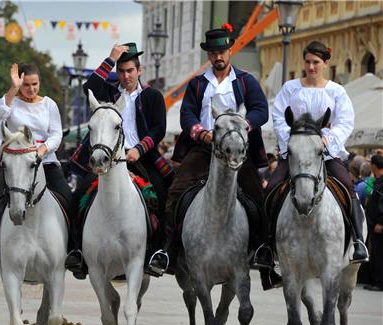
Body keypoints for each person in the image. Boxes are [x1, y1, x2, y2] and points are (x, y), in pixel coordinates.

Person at [149, 24, 275, 285]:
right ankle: (169, 250)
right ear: (208, 55)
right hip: (204, 149)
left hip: (237, 150)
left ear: (230, 51)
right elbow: (187, 114)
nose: (218, 57)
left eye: (223, 52)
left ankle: (263, 252)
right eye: (214, 53)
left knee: (256, 195)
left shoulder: (245, 81)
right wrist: (201, 133)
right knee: (175, 192)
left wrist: (243, 127)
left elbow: (261, 110)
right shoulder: (197, 84)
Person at [65, 42, 173, 279]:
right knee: (79, 195)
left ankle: (160, 253)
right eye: (121, 71)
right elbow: (89, 87)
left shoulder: (153, 95)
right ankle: (77, 252)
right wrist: (109, 59)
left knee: (165, 195)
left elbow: (158, 129)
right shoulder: (110, 93)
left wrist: (138, 149)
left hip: (140, 158)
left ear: (139, 71)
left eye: (130, 71)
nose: (125, 76)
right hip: (108, 158)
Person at [268, 40, 369, 264]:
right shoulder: (290, 88)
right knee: (273, 186)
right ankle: (266, 245)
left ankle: (358, 241)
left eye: (315, 62)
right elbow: (278, 118)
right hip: (295, 151)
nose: (310, 67)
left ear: (325, 63)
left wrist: (327, 140)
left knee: (347, 186)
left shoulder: (336, 91)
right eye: (307, 62)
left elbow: (345, 122)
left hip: (325, 151)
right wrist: (293, 141)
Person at [0, 63, 72, 279]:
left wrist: (42, 150)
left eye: (34, 84)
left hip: (44, 161)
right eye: (26, 85)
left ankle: (74, 251)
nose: (31, 89)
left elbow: (56, 134)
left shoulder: (49, 105)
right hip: (16, 163)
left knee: (68, 198)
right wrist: (12, 89)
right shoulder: (12, 103)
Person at [365, 155, 383, 291]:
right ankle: (374, 280)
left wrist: (380, 222)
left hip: (378, 225)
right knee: (374, 252)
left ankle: (379, 282)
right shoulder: (376, 181)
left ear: (374, 166)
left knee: (379, 252)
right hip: (372, 223)